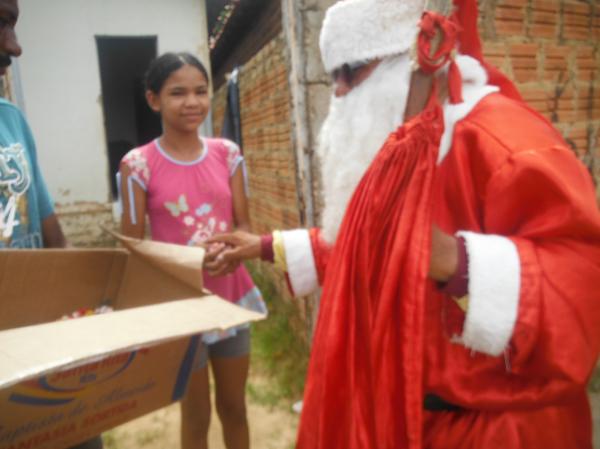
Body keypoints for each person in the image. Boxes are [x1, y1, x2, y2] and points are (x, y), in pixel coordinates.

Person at [206, 0, 600, 448]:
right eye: (332, 74)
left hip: (501, 431)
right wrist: (260, 246)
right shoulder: (402, 143)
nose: (337, 93)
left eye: (351, 71)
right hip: (406, 421)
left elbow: (582, 288)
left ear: (417, 60)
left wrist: (454, 260)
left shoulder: (506, 143)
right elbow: (369, 247)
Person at [118, 52, 266, 449]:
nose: (192, 102)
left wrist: (230, 253)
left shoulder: (228, 154)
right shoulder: (137, 166)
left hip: (230, 296)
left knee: (235, 408)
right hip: (181, 305)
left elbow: (244, 227)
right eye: (177, 93)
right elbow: (133, 249)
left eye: (201, 91)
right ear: (154, 100)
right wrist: (189, 259)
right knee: (196, 415)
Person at [0, 2, 104, 449]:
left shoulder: (12, 120)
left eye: (14, 23)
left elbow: (51, 234)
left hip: (45, 352)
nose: (15, 47)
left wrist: (82, 313)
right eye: (0, 22)